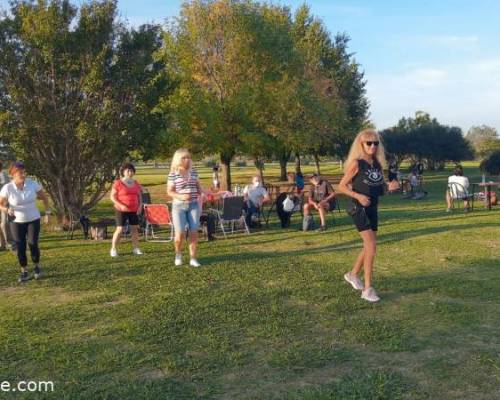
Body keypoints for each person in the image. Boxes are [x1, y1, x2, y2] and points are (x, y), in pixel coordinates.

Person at [338, 129, 386, 302]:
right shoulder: (357, 163)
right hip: (358, 208)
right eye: (369, 143)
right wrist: (358, 196)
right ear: (361, 144)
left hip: (373, 208)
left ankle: (352, 274)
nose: (373, 146)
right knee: (372, 246)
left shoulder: (376, 164)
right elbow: (341, 186)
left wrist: (390, 187)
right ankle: (367, 289)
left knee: (369, 246)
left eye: (376, 143)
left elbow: (378, 187)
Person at [0, 162, 51, 282]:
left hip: (33, 219)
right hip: (16, 221)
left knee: (33, 243)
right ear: (13, 174)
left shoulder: (32, 184)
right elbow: (0, 204)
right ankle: (24, 271)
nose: (23, 174)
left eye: (24, 172)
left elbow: (44, 198)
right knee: (20, 246)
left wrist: (47, 213)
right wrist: (6, 209)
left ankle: (37, 267)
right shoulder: (7, 188)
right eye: (20, 173)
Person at [167, 148, 202, 267]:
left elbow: (198, 188)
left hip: (193, 205)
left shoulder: (194, 172)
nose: (187, 159)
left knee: (194, 232)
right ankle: (178, 254)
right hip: (178, 206)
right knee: (180, 233)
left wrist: (203, 194)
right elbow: (169, 192)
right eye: (184, 158)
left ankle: (193, 258)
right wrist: (181, 196)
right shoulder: (173, 174)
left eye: (188, 157)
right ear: (178, 159)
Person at [110, 163, 143, 257]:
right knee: (120, 229)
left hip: (134, 209)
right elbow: (112, 197)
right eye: (128, 170)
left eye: (132, 170)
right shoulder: (118, 183)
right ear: (123, 172)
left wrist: (140, 206)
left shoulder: (136, 183)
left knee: (135, 229)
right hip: (121, 209)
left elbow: (139, 196)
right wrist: (121, 205)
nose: (130, 172)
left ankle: (136, 248)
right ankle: (113, 249)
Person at [0, 161, 12, 250]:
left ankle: (7, 243)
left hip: (3, 202)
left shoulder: (3, 176)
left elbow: (7, 189)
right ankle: (3, 244)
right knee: (4, 223)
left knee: (5, 223)